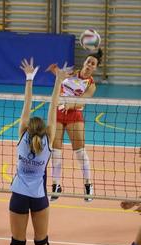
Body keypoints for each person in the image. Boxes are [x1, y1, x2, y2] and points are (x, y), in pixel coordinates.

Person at [6, 58, 72, 245]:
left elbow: (27, 104)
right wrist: (58, 81)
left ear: (28, 128)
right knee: (41, 244)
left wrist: (30, 78)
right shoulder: (48, 141)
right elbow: (53, 107)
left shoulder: (23, 135)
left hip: (19, 198)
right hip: (40, 199)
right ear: (44, 130)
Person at [47, 49, 103, 202]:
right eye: (88, 62)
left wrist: (69, 105)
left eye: (93, 64)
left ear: (95, 68)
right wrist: (55, 71)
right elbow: (61, 80)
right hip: (57, 112)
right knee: (55, 151)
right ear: (84, 63)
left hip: (74, 114)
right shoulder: (72, 73)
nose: (89, 65)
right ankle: (56, 186)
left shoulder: (91, 85)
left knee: (79, 152)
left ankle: (88, 185)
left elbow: (82, 101)